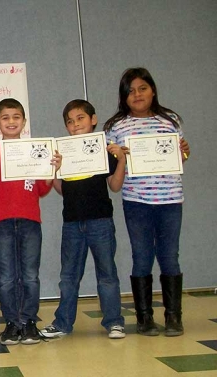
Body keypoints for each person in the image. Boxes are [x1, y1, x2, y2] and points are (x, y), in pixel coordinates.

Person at [104, 68, 190, 337]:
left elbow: (178, 158)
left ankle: (173, 317)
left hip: (170, 199)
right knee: (141, 257)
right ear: (123, 97)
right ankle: (144, 318)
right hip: (136, 200)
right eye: (130, 91)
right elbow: (112, 171)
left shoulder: (170, 119)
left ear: (152, 90)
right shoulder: (115, 126)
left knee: (169, 257)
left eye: (142, 88)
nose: (137, 95)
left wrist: (183, 154)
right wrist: (117, 155)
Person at [39, 99, 126, 340]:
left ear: (93, 120)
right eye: (70, 121)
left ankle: (114, 322)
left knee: (107, 274)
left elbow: (116, 186)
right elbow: (60, 189)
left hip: (101, 220)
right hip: (72, 222)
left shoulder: (104, 149)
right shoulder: (63, 150)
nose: (75, 125)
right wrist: (54, 170)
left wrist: (121, 161)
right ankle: (63, 323)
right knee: (68, 276)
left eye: (81, 119)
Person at [0, 98, 55, 346]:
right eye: (6, 117)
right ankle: (11, 323)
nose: (11, 122)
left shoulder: (35, 149)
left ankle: (29, 322)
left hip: (30, 219)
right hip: (1, 221)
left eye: (16, 117)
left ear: (24, 121)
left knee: (30, 275)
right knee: (7, 277)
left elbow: (42, 189)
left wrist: (51, 170)